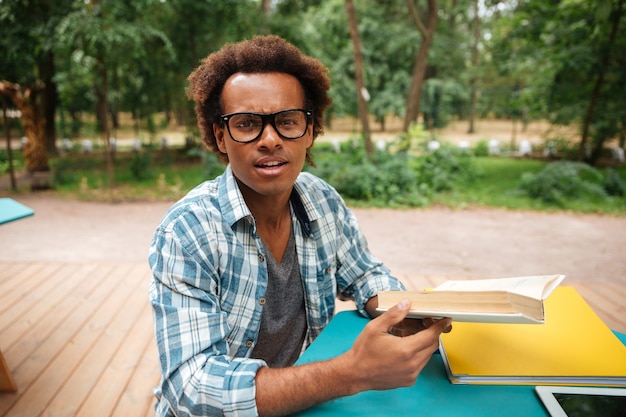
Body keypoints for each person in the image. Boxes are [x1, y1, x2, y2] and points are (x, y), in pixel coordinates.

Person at [148, 34, 451, 417]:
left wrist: (401, 311)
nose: (270, 140)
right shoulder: (187, 232)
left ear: (310, 131)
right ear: (220, 136)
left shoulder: (321, 200)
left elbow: (364, 274)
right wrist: (351, 373)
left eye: (287, 121)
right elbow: (192, 389)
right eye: (246, 124)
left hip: (303, 404)